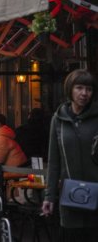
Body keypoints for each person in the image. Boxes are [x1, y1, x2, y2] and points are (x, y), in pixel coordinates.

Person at [42, 69, 98, 240]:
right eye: (79, 88)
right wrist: (49, 196)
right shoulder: (58, 119)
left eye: (88, 89)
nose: (84, 93)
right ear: (70, 90)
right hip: (71, 195)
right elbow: (54, 162)